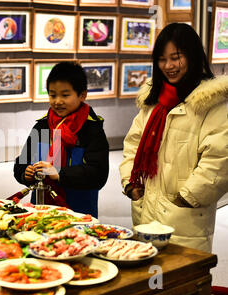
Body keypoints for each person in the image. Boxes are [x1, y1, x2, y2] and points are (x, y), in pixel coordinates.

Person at [119, 23, 228, 252]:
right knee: (151, 278)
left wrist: (186, 197)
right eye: (161, 59)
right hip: (145, 209)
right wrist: (130, 183)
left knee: (183, 282)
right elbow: (132, 144)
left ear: (192, 56)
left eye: (175, 57)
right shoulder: (154, 100)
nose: (168, 66)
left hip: (185, 219)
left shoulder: (212, 103)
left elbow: (219, 160)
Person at [13, 61, 109, 218]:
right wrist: (25, 173)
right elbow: (21, 163)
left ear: (82, 95)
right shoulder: (42, 127)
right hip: (40, 212)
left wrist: (59, 173)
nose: (57, 101)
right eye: (52, 95)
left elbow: (98, 174)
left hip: (78, 213)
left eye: (65, 95)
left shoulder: (91, 129)